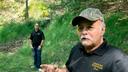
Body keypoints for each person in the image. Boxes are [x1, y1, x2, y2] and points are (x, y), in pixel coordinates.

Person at [42, 8, 128, 72]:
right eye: (80, 28)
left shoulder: (118, 60)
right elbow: (70, 69)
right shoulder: (76, 49)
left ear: (102, 30)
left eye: (90, 27)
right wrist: (58, 71)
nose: (84, 32)